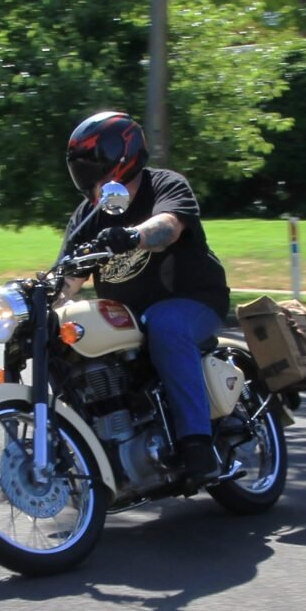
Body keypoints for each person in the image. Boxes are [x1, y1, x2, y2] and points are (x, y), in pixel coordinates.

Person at [58, 110, 231, 488]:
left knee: (164, 325)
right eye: (81, 164)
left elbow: (168, 227)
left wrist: (133, 236)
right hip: (127, 318)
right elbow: (68, 278)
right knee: (62, 340)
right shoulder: (89, 215)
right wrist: (38, 300)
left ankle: (196, 446)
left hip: (193, 300)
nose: (88, 172)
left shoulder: (164, 185)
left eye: (94, 161)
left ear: (123, 155)